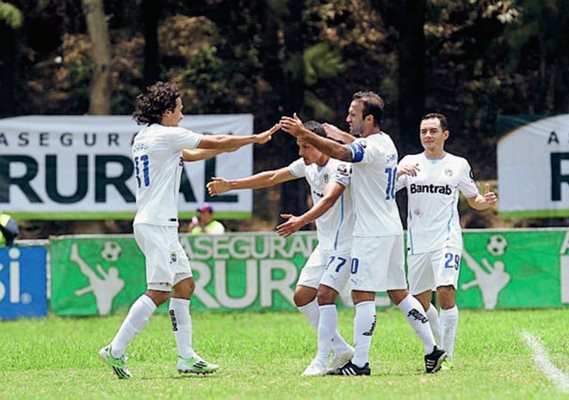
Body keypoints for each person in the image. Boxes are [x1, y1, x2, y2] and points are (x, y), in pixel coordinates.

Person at [99, 81, 279, 379]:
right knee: (158, 292)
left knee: (185, 285)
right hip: (156, 223)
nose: (182, 116)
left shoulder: (143, 137)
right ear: (167, 112)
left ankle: (186, 356)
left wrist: (227, 147)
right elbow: (215, 140)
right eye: (180, 110)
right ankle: (115, 350)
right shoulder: (167, 134)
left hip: (157, 223)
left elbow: (194, 154)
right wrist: (254, 139)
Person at [280, 91, 446, 376]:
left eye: (353, 115)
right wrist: (336, 133)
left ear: (368, 119)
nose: (347, 118)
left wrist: (308, 135)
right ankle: (433, 349)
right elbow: (353, 144)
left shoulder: (369, 148)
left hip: (371, 233)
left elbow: (345, 153)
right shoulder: (386, 142)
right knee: (399, 292)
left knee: (362, 295)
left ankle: (360, 362)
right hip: (392, 227)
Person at [207, 120, 354, 376]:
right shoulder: (307, 166)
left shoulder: (339, 165)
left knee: (325, 296)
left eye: (306, 146)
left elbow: (330, 198)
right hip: (326, 244)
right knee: (301, 296)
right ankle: (341, 348)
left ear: (320, 144)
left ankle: (321, 360)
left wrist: (301, 220)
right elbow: (273, 176)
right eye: (299, 146)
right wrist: (231, 185)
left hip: (347, 243)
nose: (301, 152)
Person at [395, 113, 498, 367]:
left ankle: (448, 356)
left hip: (447, 238)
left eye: (432, 131)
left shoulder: (458, 164)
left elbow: (473, 198)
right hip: (417, 241)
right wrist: (395, 172)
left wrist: (483, 203)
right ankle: (438, 347)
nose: (427, 136)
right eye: (423, 132)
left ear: (445, 135)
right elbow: (384, 191)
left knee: (445, 290)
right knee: (420, 303)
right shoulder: (408, 162)